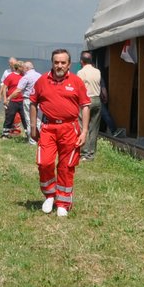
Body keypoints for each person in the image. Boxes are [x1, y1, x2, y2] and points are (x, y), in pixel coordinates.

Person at [30, 48, 90, 217]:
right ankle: (50, 195)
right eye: (56, 62)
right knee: (45, 163)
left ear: (69, 64)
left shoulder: (77, 82)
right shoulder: (42, 80)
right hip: (48, 128)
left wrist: (84, 131)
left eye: (63, 62)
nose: (59, 65)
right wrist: (33, 127)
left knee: (66, 167)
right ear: (52, 63)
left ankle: (63, 202)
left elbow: (85, 106)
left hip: (69, 129)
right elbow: (33, 103)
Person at [76, 51, 108, 158]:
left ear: (81, 61)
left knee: (82, 126)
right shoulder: (97, 71)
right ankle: (91, 153)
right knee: (94, 127)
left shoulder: (80, 72)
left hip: (86, 101)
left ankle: (84, 151)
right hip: (96, 100)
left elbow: (79, 88)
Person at [0, 60, 25, 138]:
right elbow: (4, 87)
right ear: (18, 67)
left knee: (24, 118)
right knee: (9, 117)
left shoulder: (23, 76)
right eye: (22, 66)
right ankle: (5, 135)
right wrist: (5, 99)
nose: (23, 68)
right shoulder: (10, 76)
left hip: (21, 100)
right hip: (12, 100)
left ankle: (28, 135)